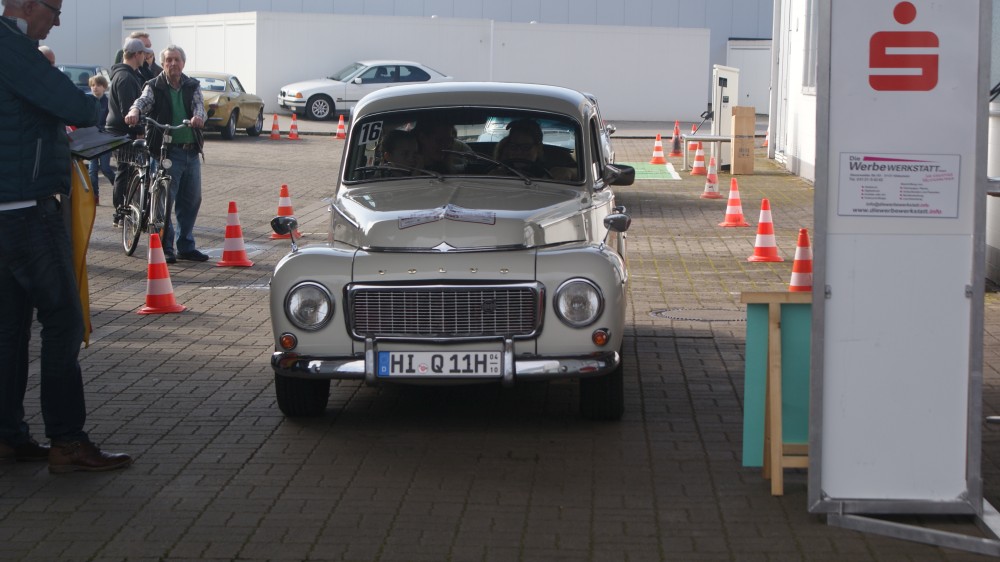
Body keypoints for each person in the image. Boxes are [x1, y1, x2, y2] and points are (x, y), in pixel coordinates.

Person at [0, 0, 133, 473]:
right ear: (26, 4)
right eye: (53, 9)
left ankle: (8, 435)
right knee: (64, 321)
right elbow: (79, 105)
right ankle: (67, 441)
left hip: (8, 210)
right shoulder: (13, 47)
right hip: (27, 211)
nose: (57, 20)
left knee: (10, 329)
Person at [125, 44, 207, 264]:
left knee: (191, 201)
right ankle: (166, 247)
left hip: (191, 151)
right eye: (168, 60)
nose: (173, 64)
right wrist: (134, 111)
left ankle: (186, 246)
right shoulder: (154, 85)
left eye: (176, 59)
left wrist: (199, 117)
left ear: (183, 63)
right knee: (164, 202)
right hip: (166, 152)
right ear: (162, 64)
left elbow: (199, 106)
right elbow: (143, 101)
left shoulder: (192, 85)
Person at [106, 36, 151, 227]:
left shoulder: (126, 74)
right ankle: (121, 213)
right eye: (143, 54)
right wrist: (139, 129)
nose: (145, 58)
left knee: (125, 172)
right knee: (124, 173)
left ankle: (123, 212)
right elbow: (128, 111)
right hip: (123, 132)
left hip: (119, 130)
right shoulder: (125, 78)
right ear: (137, 54)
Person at [86, 74, 113, 204]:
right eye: (92, 85)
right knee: (92, 170)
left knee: (106, 168)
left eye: (98, 85)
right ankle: (94, 196)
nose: (95, 88)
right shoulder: (88, 101)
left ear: (104, 87)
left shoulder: (108, 103)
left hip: (105, 140)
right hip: (92, 140)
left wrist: (103, 129)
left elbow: (110, 121)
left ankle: (120, 188)